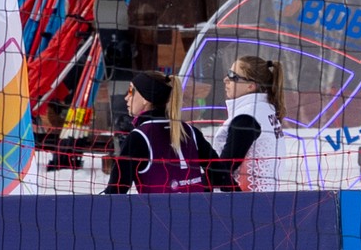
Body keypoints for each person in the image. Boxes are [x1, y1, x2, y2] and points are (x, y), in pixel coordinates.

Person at [104, 70, 209, 194]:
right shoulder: (190, 131)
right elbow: (222, 175)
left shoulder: (139, 138)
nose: (126, 97)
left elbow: (115, 191)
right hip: (198, 211)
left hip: (157, 212)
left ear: (145, 99)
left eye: (131, 91)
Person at [207, 55, 286, 191]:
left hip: (246, 203)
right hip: (264, 198)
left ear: (251, 86)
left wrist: (189, 182)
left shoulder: (246, 119)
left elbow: (222, 172)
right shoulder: (265, 109)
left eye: (233, 76)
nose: (226, 80)